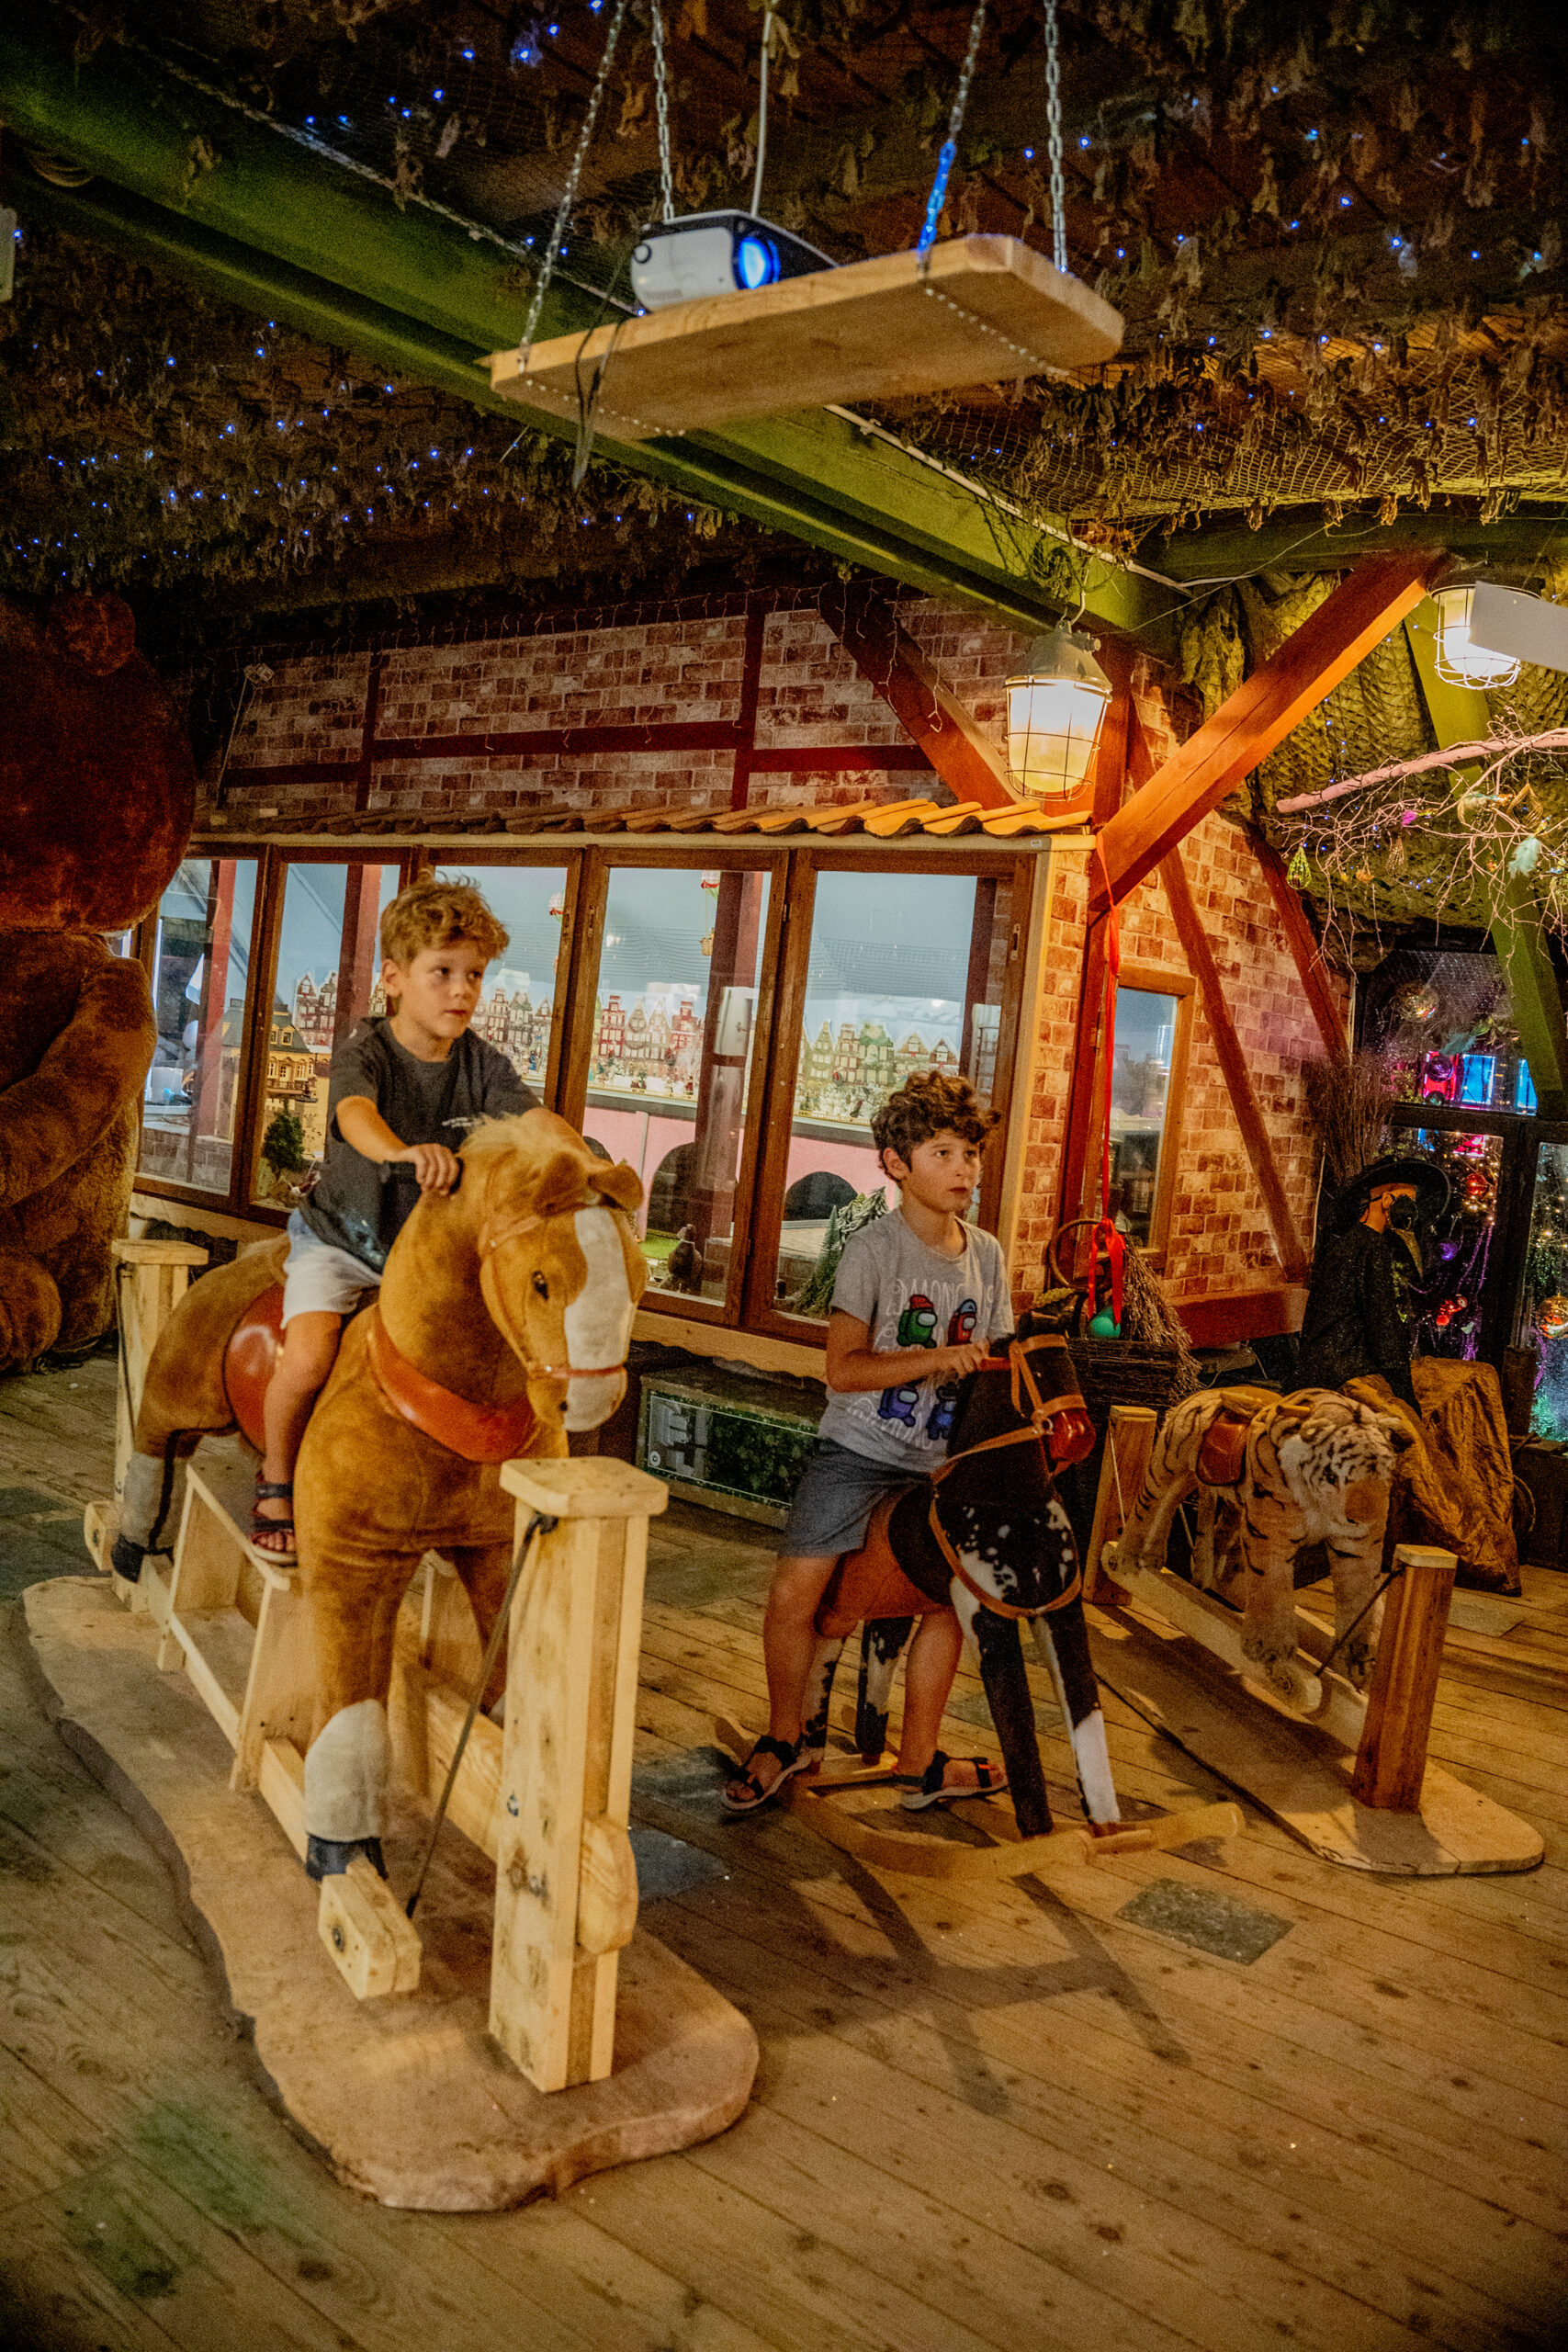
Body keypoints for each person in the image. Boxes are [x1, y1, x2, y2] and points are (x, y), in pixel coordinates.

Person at [723, 1069, 1016, 1815]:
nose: (962, 1169)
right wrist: (936, 1358)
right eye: (942, 1153)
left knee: (950, 1599)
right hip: (858, 1453)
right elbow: (843, 1370)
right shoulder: (873, 1250)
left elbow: (998, 1364)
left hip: (940, 1465)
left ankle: (918, 1763)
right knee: (793, 1594)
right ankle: (785, 1738)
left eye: (970, 1154)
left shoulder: (986, 1254)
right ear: (895, 1163)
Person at [253, 876, 537, 1555]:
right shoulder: (366, 1051)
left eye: (474, 975)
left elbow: (535, 1119)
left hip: (423, 1255)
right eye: (442, 973)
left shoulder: (482, 1063)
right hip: (345, 1241)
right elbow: (354, 1114)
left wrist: (572, 1158)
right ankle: (276, 1477)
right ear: (393, 978)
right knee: (311, 1352)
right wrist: (401, 1151)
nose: (462, 991)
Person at [1298, 1151, 1450, 1408]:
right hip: (1343, 1370)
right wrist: (1404, 1392)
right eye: (1409, 1201)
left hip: (1324, 1365)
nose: (1412, 1211)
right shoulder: (1371, 1248)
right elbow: (1382, 1322)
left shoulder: (1353, 1242)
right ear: (1387, 1200)